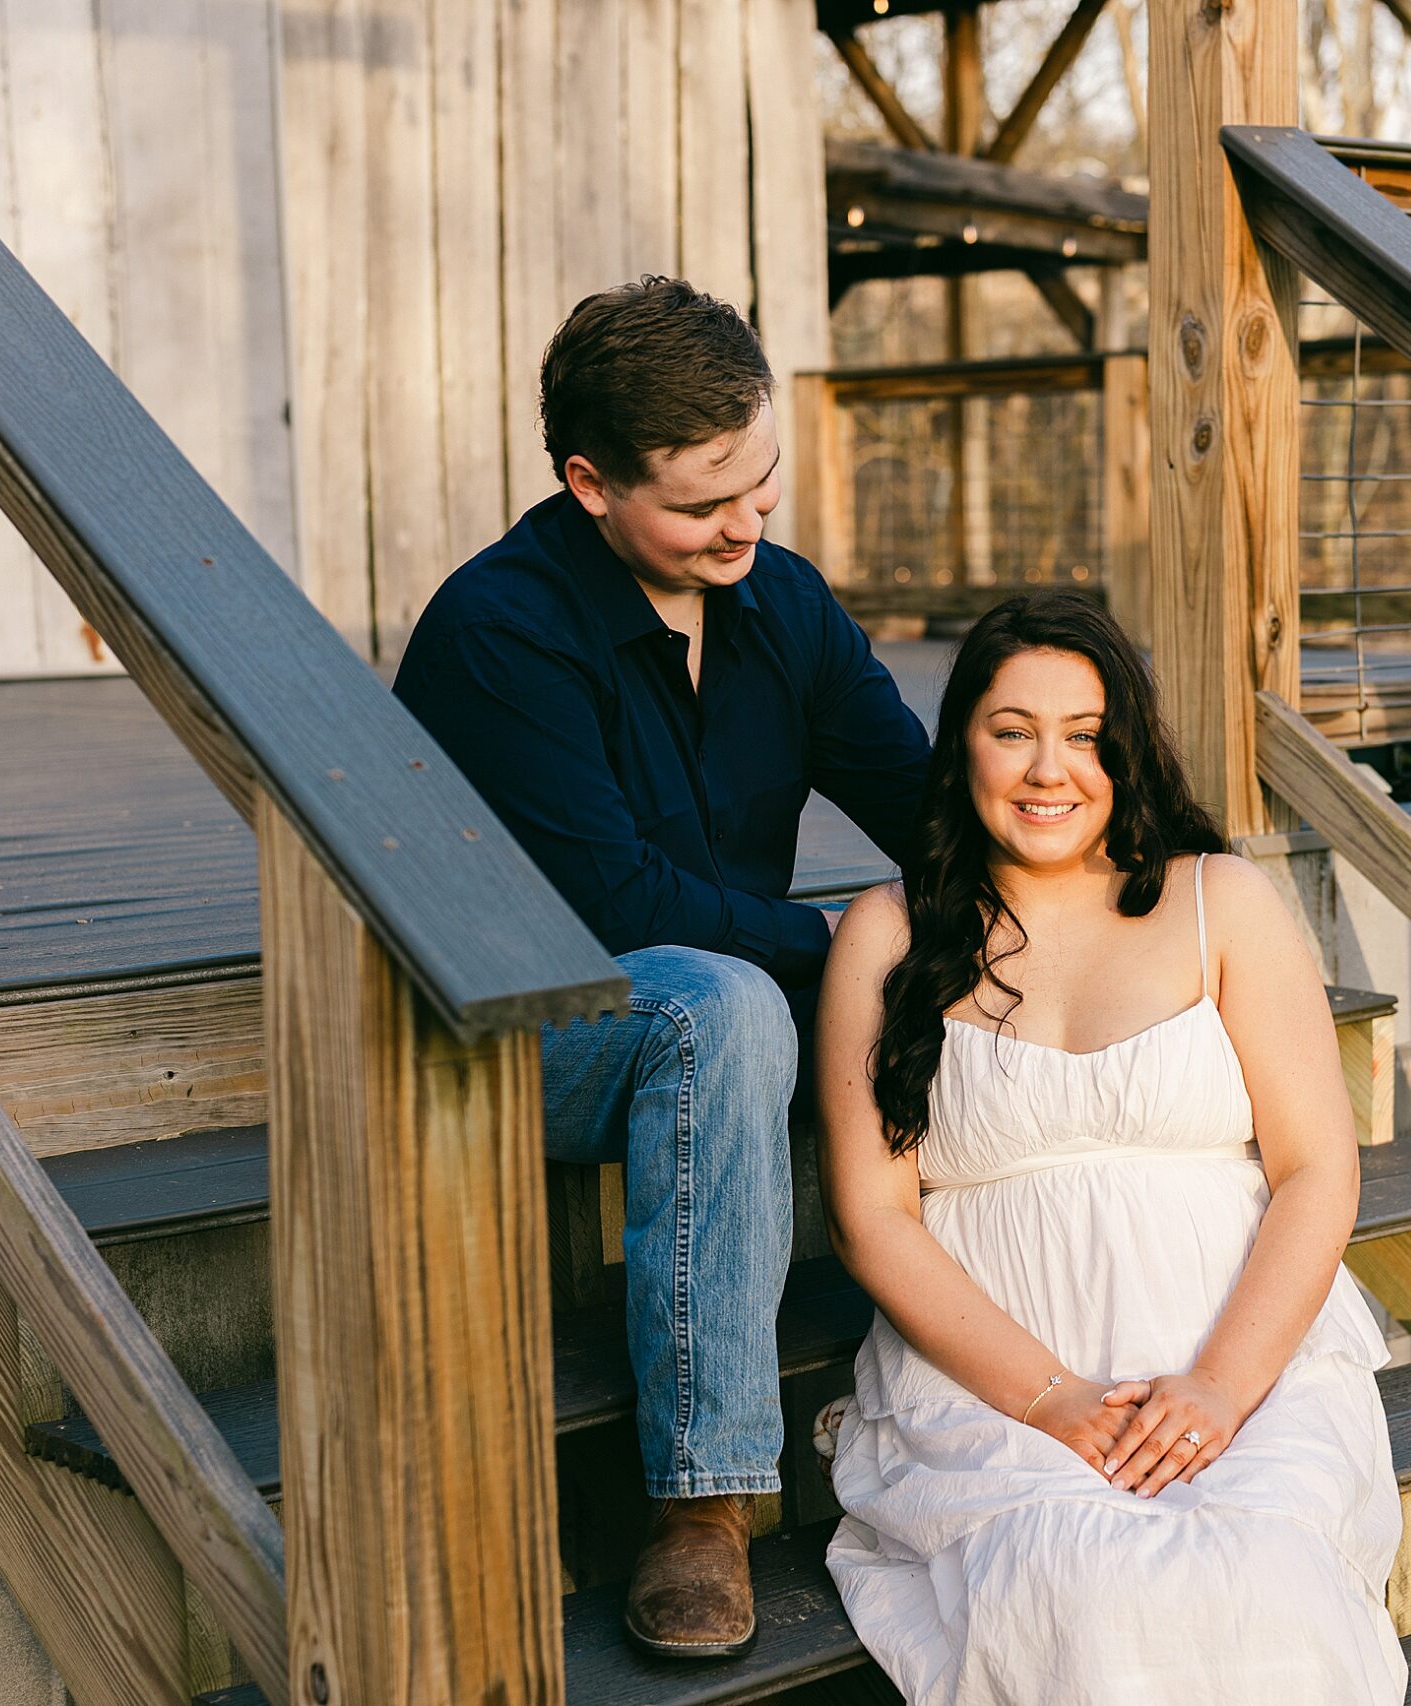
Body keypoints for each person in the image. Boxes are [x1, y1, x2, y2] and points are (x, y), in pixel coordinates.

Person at [392, 277, 933, 1659]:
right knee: (726, 1000)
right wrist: (842, 949)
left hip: (734, 1018)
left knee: (960, 952)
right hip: (518, 1032)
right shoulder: (499, 631)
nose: (746, 523)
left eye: (759, 480)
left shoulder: (781, 600)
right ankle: (708, 1497)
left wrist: (1074, 896)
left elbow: (923, 802)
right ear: (589, 482)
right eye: (703, 505)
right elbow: (615, 900)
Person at [815, 592, 1410, 1703]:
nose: (1050, 770)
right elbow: (872, 1218)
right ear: (962, 747)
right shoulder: (887, 933)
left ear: (1124, 750)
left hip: (1238, 1353)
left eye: (1084, 735)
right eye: (1012, 729)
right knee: (1084, 1590)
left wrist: (1220, 1389)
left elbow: (1316, 1170)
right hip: (996, 1382)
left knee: (1260, 1576)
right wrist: (1049, 1398)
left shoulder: (1215, 900)